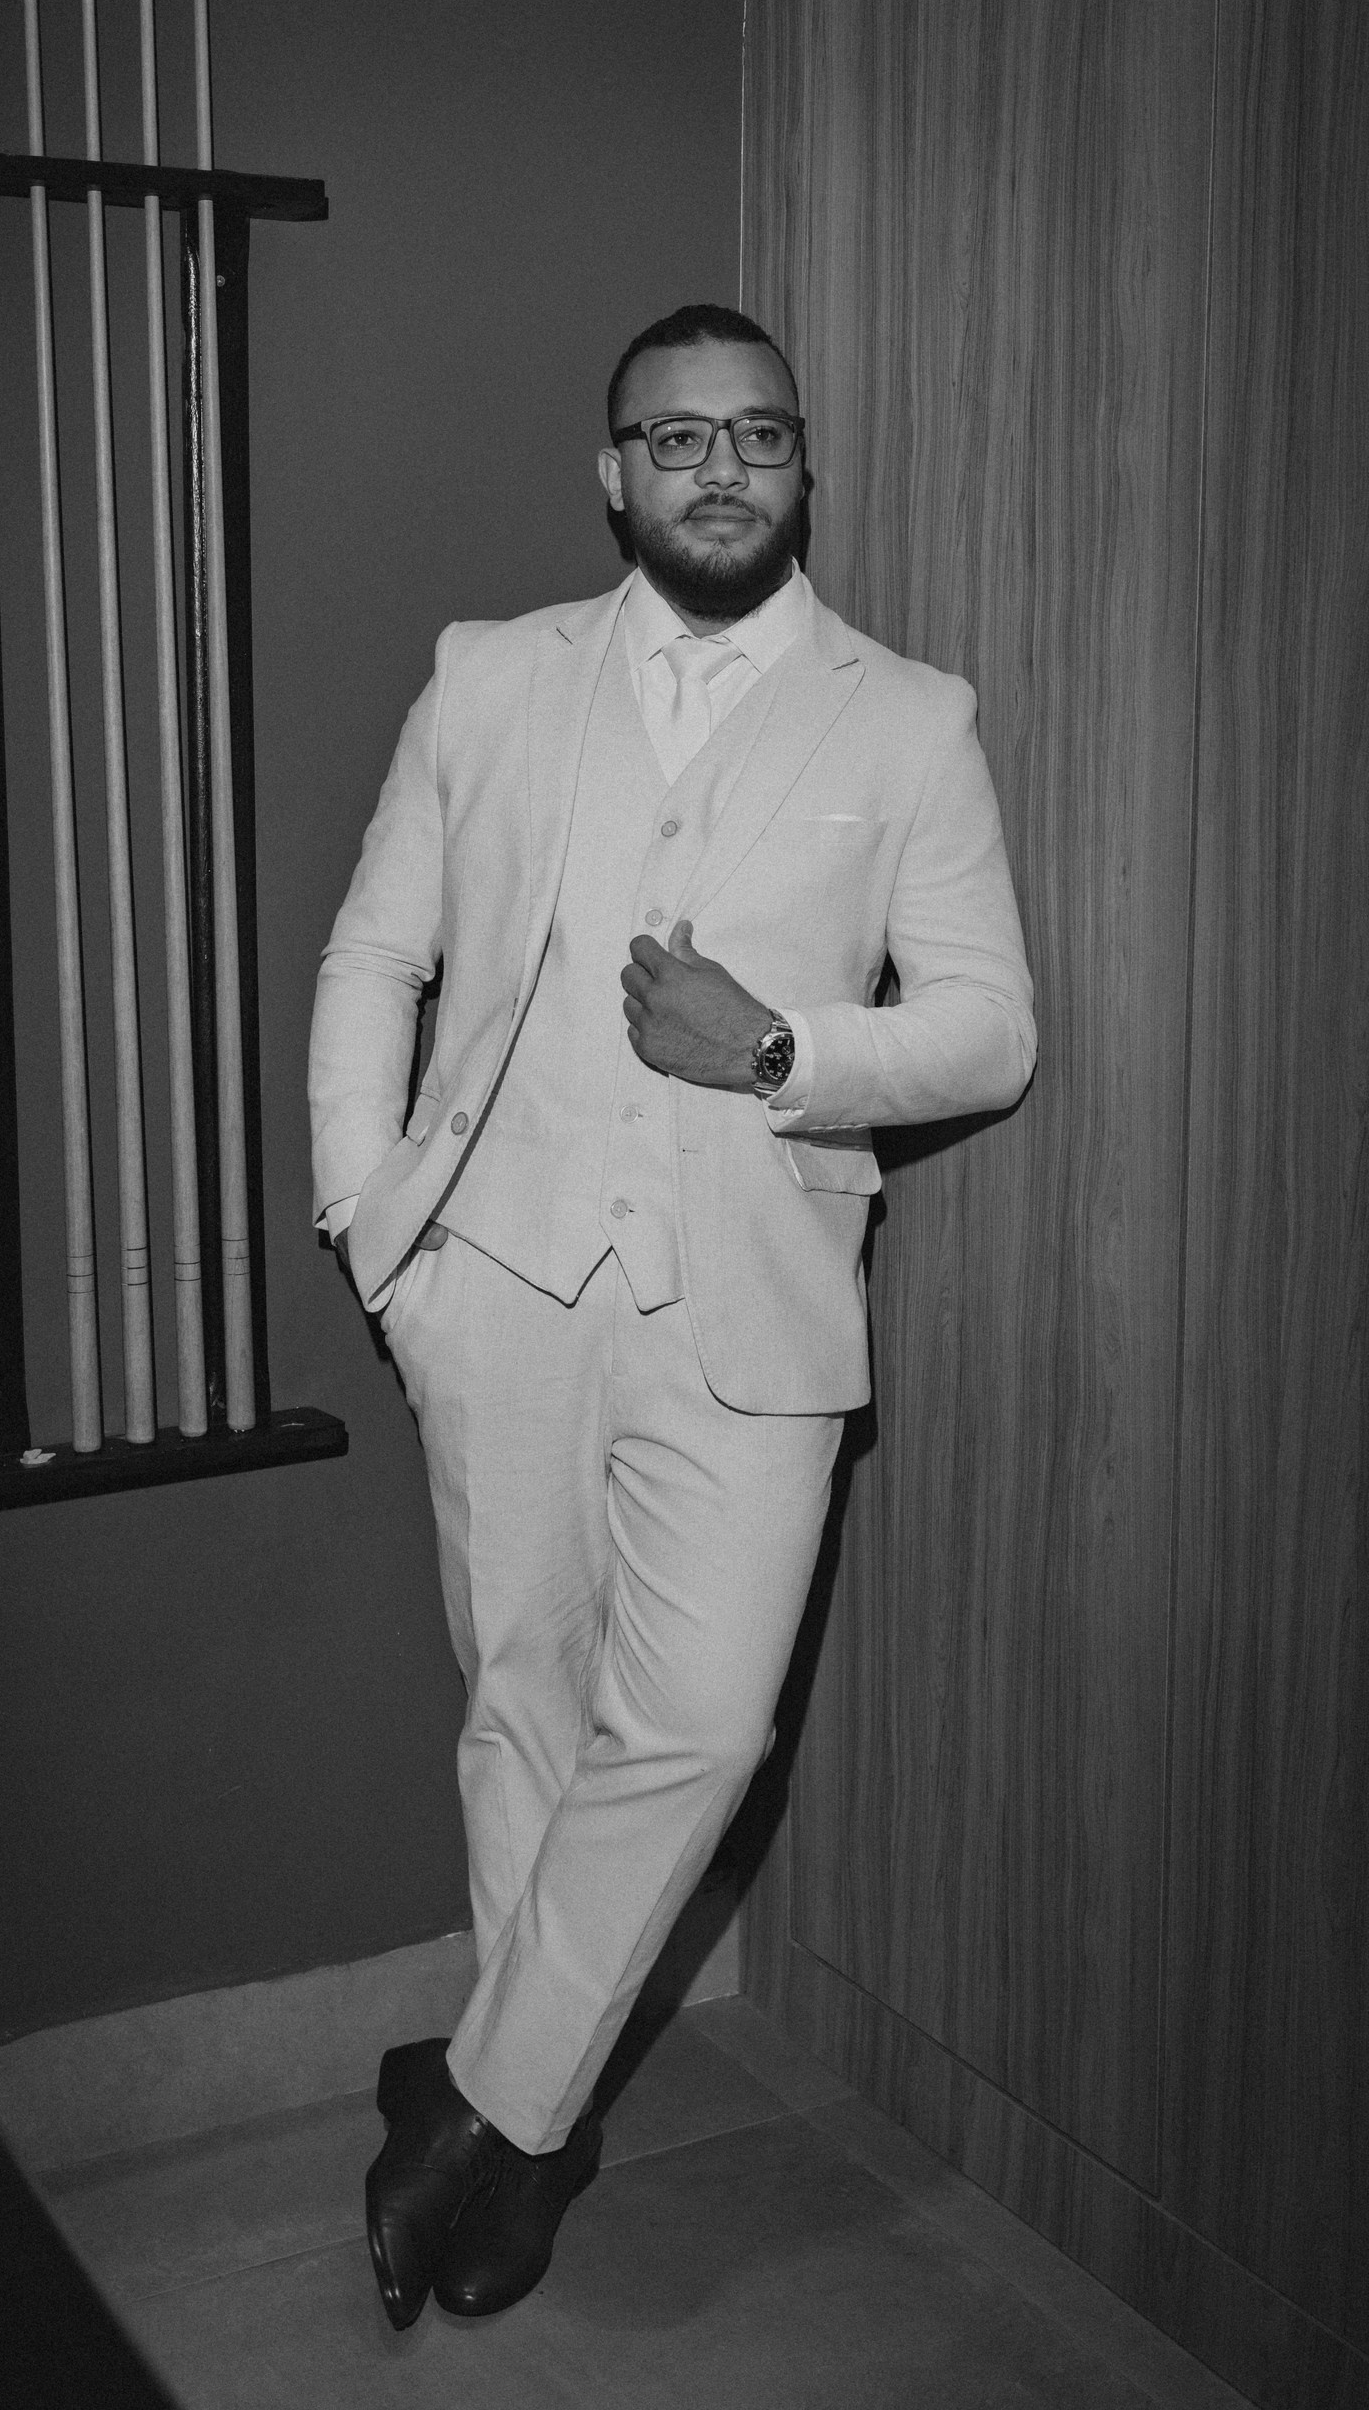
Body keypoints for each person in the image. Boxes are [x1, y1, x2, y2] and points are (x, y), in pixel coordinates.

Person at [307, 303, 1035, 2323]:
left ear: (803, 468)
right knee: (522, 1699)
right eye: (678, 436)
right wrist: (374, 1226)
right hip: (496, 1280)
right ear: (612, 472)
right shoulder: (489, 675)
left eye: (759, 434)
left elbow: (990, 1026)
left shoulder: (911, 719)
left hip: (756, 1299)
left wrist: (781, 1045)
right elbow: (377, 951)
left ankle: (486, 2105)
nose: (722, 467)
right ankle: (523, 2151)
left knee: (704, 1723)